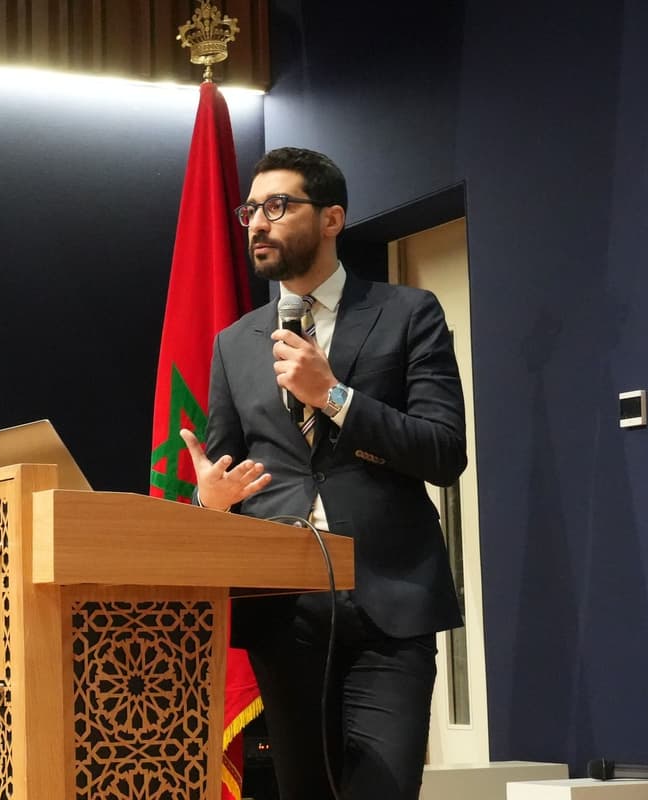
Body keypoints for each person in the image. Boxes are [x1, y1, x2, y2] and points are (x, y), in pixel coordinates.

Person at [179, 146, 466, 800]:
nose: (257, 222)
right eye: (250, 209)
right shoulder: (235, 343)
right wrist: (213, 503)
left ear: (332, 217)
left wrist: (334, 397)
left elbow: (445, 452)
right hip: (287, 618)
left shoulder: (408, 314)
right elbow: (223, 469)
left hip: (389, 607)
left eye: (278, 206)